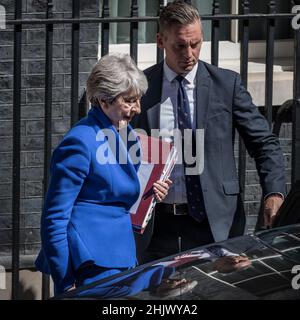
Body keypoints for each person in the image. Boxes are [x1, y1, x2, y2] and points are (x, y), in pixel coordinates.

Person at [132, 1, 286, 263]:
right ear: (160, 41)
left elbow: (264, 143)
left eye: (196, 44)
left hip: (216, 223)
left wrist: (274, 193)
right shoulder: (142, 89)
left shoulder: (226, 85)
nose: (189, 54)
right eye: (180, 46)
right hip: (157, 226)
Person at [35, 53, 171, 295]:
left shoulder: (126, 133)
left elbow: (121, 195)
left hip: (122, 256)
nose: (137, 109)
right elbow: (54, 218)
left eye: (138, 100)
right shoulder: (78, 142)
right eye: (129, 101)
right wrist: (65, 282)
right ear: (103, 100)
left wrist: (151, 194)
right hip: (89, 266)